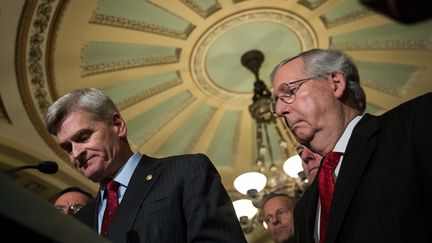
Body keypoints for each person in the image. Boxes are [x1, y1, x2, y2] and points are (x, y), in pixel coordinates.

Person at [270, 48, 432, 243]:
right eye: (277, 101)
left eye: (288, 92)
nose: (279, 110)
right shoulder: (304, 208)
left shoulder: (416, 122)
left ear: (336, 83)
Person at [44, 88, 247, 243]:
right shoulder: (83, 219)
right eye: (67, 148)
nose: (76, 153)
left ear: (118, 125)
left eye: (83, 137)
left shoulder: (186, 172)